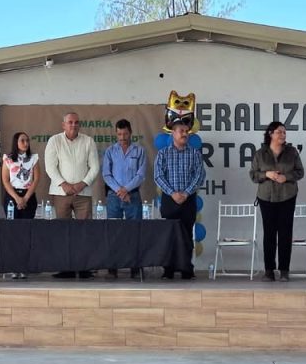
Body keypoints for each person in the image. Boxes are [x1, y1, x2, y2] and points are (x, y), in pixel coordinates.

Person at [44, 111, 100, 279]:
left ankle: (84, 267)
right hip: (61, 193)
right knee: (63, 231)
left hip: (83, 193)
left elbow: (95, 167)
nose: (73, 125)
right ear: (63, 125)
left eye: (76, 122)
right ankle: (65, 268)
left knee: (84, 232)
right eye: (70, 122)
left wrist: (81, 184)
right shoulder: (54, 141)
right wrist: (64, 185)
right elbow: (50, 167)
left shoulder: (88, 141)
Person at [249, 121, 304, 282]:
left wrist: (286, 177)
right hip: (266, 197)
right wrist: (267, 174)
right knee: (269, 234)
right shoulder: (260, 153)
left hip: (287, 196)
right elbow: (253, 175)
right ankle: (269, 270)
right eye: (279, 132)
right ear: (271, 134)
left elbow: (300, 172)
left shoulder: (292, 152)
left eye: (284, 132)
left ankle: (285, 270)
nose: (283, 135)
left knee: (286, 234)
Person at [153, 119, 205, 279]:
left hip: (188, 200)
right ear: (173, 133)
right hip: (169, 199)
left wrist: (187, 193)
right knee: (168, 235)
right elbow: (158, 176)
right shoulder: (163, 153)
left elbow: (199, 175)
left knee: (186, 234)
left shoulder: (194, 153)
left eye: (186, 131)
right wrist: (172, 193)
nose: (185, 134)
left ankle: (186, 269)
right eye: (181, 131)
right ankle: (168, 269)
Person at [102, 118, 147, 278]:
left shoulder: (139, 151)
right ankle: (112, 266)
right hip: (114, 197)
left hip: (133, 196)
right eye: (119, 134)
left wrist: (126, 190)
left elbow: (140, 175)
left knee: (134, 231)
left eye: (125, 134)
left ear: (131, 133)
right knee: (114, 232)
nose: (122, 137)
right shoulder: (110, 152)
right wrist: (120, 191)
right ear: (116, 134)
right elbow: (106, 175)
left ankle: (135, 266)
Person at [2, 131, 40, 280]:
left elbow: (36, 179)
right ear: (16, 143)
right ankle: (14, 266)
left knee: (26, 232)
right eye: (22, 140)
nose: (26, 143)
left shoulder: (34, 158)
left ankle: (25, 266)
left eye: (27, 140)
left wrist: (25, 198)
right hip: (12, 197)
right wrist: (17, 198)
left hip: (28, 196)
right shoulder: (8, 159)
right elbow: (5, 180)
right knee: (13, 232)